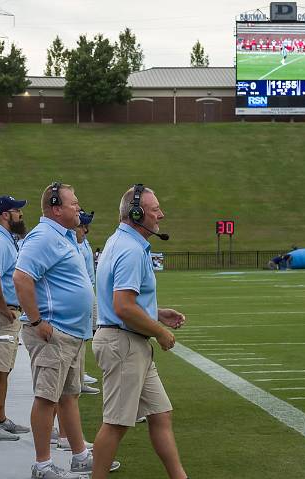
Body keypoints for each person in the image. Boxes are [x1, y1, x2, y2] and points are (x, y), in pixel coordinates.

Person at [14, 182, 117, 478]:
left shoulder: (63, 235)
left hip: (69, 331)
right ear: (56, 208)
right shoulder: (44, 236)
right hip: (53, 331)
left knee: (68, 396)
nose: (78, 208)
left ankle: (79, 455)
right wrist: (36, 321)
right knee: (47, 397)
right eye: (74, 204)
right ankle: (42, 464)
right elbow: (21, 278)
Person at [91, 184, 188, 479]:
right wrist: (159, 330)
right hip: (124, 343)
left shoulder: (120, 242)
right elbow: (122, 306)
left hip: (129, 341)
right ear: (136, 213)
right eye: (155, 208)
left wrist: (156, 312)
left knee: (160, 414)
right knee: (116, 423)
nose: (162, 214)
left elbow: (122, 300)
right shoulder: (131, 249)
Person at [0, 195, 30, 441]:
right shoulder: (0, 242)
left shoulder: (4, 239)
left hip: (4, 310)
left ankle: (0, 417)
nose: (20, 214)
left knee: (3, 368)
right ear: (5, 214)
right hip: (0, 312)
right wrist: (2, 306)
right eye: (16, 210)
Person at [74, 210, 99, 396]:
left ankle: (80, 375)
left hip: (89, 291)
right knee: (80, 338)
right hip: (85, 292)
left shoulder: (82, 243)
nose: (86, 230)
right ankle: (78, 377)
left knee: (84, 337)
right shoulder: (76, 244)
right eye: (83, 226)